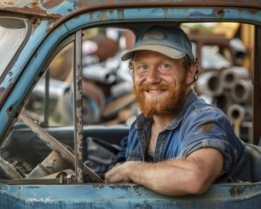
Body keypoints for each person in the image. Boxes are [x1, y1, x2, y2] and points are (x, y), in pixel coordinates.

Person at [104, 24, 251, 196]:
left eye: (165, 66)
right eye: (143, 67)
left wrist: (130, 169)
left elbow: (194, 178)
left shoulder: (206, 120)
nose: (151, 78)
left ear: (190, 72)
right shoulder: (139, 126)